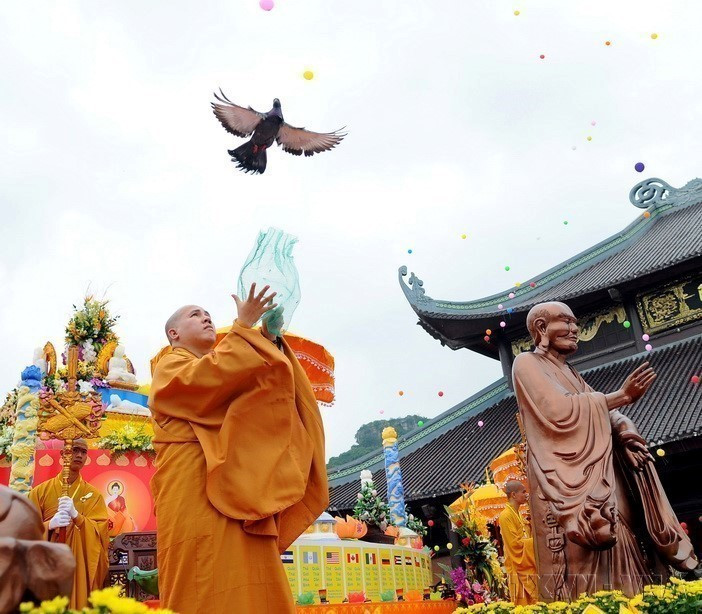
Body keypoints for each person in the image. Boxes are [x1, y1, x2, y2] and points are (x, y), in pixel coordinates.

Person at [149, 284, 328, 614]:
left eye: (207, 314)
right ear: (174, 333)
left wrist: (269, 339)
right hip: (192, 487)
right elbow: (207, 380)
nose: (205, 317)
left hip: (236, 484)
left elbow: (258, 396)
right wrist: (243, 328)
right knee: (201, 572)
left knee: (248, 564)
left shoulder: (225, 362)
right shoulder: (169, 366)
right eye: (195, 314)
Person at [512, 301, 697, 600]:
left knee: (624, 539)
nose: (575, 330)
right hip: (564, 479)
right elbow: (558, 411)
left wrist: (625, 435)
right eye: (566, 322)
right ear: (542, 329)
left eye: (575, 323)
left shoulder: (570, 373)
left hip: (602, 473)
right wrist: (621, 396)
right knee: (587, 556)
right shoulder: (526, 364)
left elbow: (600, 410)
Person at [27, 439, 110, 609]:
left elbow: (100, 534)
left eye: (83, 451)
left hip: (79, 564)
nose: (79, 455)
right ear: (63, 454)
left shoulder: (94, 496)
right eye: (75, 450)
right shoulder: (40, 492)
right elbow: (26, 533)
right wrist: (49, 525)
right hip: (49, 563)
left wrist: (77, 517)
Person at [498, 481, 537, 605]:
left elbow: (524, 536)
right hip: (517, 566)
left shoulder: (519, 514)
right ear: (513, 495)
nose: (526, 494)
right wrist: (536, 542)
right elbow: (515, 545)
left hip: (527, 565)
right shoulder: (505, 516)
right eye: (523, 492)